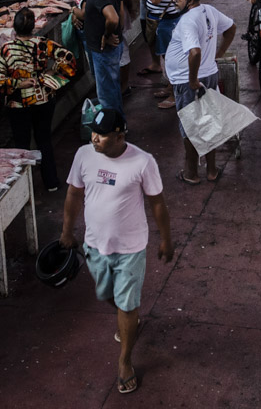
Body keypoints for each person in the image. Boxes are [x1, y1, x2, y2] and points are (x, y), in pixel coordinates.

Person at [61, 107, 173, 395]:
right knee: (108, 294)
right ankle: (130, 318)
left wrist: (166, 239)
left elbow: (157, 203)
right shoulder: (84, 155)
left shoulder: (143, 162)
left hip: (130, 247)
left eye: (101, 135)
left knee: (125, 302)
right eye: (93, 133)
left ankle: (125, 361)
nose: (95, 139)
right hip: (95, 243)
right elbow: (74, 193)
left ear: (120, 135)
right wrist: (66, 231)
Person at [0, 8, 78, 192]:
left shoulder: (6, 49)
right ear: (33, 28)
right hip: (44, 100)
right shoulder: (42, 43)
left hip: (17, 105)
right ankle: (51, 182)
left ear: (14, 28)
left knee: (21, 145)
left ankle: (23, 187)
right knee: (44, 139)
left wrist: (17, 83)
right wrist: (51, 74)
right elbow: (69, 59)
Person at [162, 0, 237, 184]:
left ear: (190, 0)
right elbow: (231, 28)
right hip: (209, 73)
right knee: (208, 120)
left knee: (190, 125)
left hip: (188, 80)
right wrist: (218, 53)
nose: (175, 2)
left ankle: (191, 172)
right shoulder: (209, 10)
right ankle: (211, 170)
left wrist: (193, 80)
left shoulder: (187, 21)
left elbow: (194, 52)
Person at [131, 0, 184, 109]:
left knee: (169, 58)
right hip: (171, 18)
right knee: (168, 56)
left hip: (164, 22)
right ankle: (170, 87)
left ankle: (176, 94)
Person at [74, 0, 124, 115]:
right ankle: (118, 122)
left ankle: (111, 131)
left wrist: (107, 34)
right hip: (112, 47)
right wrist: (118, 31)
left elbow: (113, 17)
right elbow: (120, 10)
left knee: (106, 93)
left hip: (104, 50)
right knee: (113, 87)